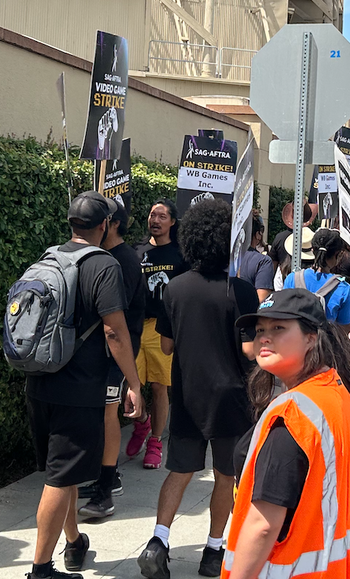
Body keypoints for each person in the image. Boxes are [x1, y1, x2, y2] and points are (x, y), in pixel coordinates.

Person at [138, 200, 259, 579]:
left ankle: (158, 540)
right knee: (225, 475)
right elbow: (248, 350)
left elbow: (169, 346)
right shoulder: (240, 290)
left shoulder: (174, 289)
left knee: (179, 470)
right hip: (231, 397)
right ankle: (212, 549)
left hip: (187, 393)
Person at [224, 289, 350, 579]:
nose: (264, 337)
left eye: (278, 328)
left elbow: (263, 525)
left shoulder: (293, 415)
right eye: (260, 330)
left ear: (312, 337)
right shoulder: (335, 391)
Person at [27, 192, 143, 579]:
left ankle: (74, 542)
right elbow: (114, 331)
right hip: (79, 388)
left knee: (65, 471)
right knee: (60, 478)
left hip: (40, 379)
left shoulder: (47, 257)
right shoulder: (103, 265)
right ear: (105, 226)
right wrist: (134, 381)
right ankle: (40, 569)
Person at [78, 196, 148, 521]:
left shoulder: (124, 262)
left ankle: (106, 487)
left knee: (108, 414)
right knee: (96, 414)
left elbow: (115, 323)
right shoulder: (99, 256)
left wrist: (132, 379)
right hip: (95, 351)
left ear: (112, 224)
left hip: (117, 350)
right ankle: (101, 475)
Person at [129, 200, 187, 470]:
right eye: (152, 214)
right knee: (129, 388)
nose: (155, 219)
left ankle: (155, 441)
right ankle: (141, 423)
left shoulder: (180, 254)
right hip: (133, 327)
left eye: (162, 216)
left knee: (159, 386)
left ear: (172, 222)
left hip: (162, 327)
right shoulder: (136, 251)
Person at [281, 229, 350, 333]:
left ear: (312, 250)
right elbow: (344, 329)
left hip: (296, 344)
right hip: (325, 347)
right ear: (339, 255)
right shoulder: (343, 288)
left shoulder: (292, 278)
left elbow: (283, 314)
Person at [236, 214, 275, 305]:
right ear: (258, 235)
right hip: (247, 316)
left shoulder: (223, 257)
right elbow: (262, 300)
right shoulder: (263, 262)